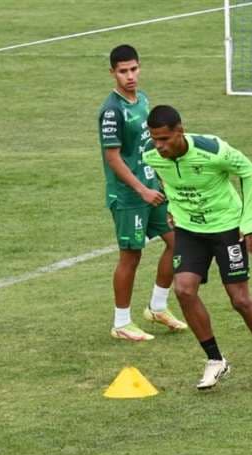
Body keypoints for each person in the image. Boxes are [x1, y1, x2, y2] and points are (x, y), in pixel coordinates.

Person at [142, 105, 252, 390]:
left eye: (164, 139)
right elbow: (163, 177)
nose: (159, 146)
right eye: (154, 139)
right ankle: (215, 360)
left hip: (227, 228)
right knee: (183, 290)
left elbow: (246, 171)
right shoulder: (149, 153)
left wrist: (249, 222)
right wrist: (173, 206)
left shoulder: (212, 149)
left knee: (240, 299)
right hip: (189, 229)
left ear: (180, 132)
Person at [99, 44, 186, 341]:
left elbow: (150, 148)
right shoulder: (112, 111)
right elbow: (113, 158)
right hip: (128, 195)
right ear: (112, 73)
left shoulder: (143, 101)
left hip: (152, 188)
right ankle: (121, 322)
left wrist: (161, 185)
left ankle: (158, 306)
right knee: (131, 256)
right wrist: (140, 190)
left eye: (133, 69)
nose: (130, 76)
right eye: (123, 71)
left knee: (178, 243)